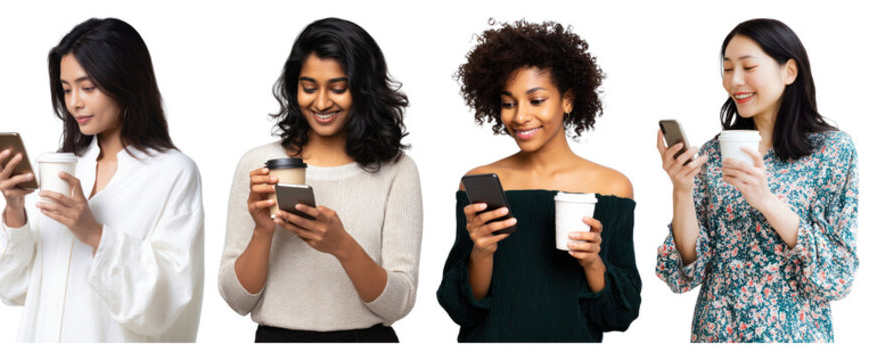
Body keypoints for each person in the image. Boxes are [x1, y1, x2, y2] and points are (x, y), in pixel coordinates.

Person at [0, 18, 204, 342]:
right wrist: (15, 210)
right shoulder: (66, 168)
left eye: (88, 87)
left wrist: (95, 234)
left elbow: (170, 299)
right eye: (66, 88)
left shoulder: (172, 173)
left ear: (126, 82)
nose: (74, 102)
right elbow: (12, 287)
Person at [218, 17, 421, 343]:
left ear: (363, 90)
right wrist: (262, 231)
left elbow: (398, 304)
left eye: (338, 89)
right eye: (309, 88)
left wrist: (342, 245)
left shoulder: (397, 170)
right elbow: (238, 301)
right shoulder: (258, 165)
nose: (322, 103)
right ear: (294, 87)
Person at [436, 20, 641, 342]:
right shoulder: (477, 182)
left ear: (568, 100)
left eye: (536, 100)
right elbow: (462, 309)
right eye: (508, 103)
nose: (519, 116)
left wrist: (592, 261)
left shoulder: (611, 188)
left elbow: (619, 313)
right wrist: (482, 251)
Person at [655, 18, 857, 343]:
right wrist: (681, 190)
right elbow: (684, 274)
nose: (735, 81)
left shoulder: (832, 151)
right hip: (716, 336)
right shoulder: (713, 153)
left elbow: (837, 276)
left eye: (748, 67)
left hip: (796, 339)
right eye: (727, 69)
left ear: (789, 71)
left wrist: (766, 200)